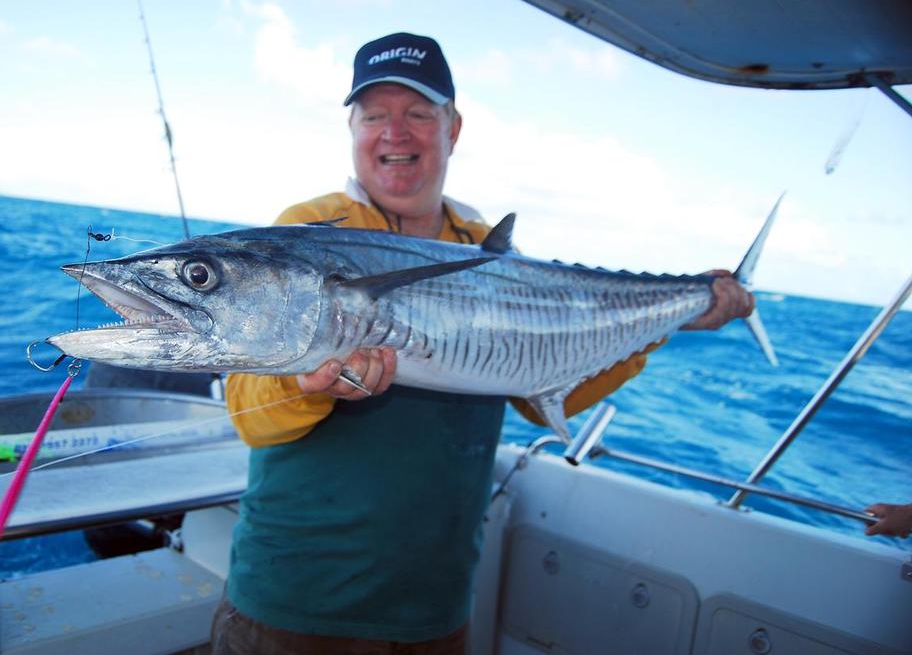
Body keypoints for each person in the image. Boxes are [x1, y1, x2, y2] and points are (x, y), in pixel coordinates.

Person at [211, 32, 755, 655]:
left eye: (418, 114)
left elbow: (537, 391)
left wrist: (666, 321)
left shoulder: (484, 247)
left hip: (434, 608)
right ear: (352, 128)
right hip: (294, 603)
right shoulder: (309, 231)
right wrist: (305, 385)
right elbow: (248, 414)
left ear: (454, 128)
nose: (396, 132)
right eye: (375, 115)